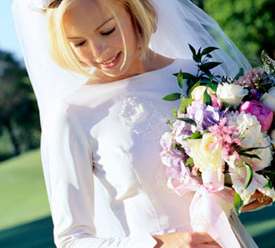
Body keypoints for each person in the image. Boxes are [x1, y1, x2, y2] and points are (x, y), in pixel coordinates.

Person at [12, 0, 265, 247]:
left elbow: (228, 177)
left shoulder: (197, 75)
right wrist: (160, 243)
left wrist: (251, 187)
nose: (98, 51)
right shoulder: (74, 113)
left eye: (107, 31)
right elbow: (70, 240)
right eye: (79, 43)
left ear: (134, 12)